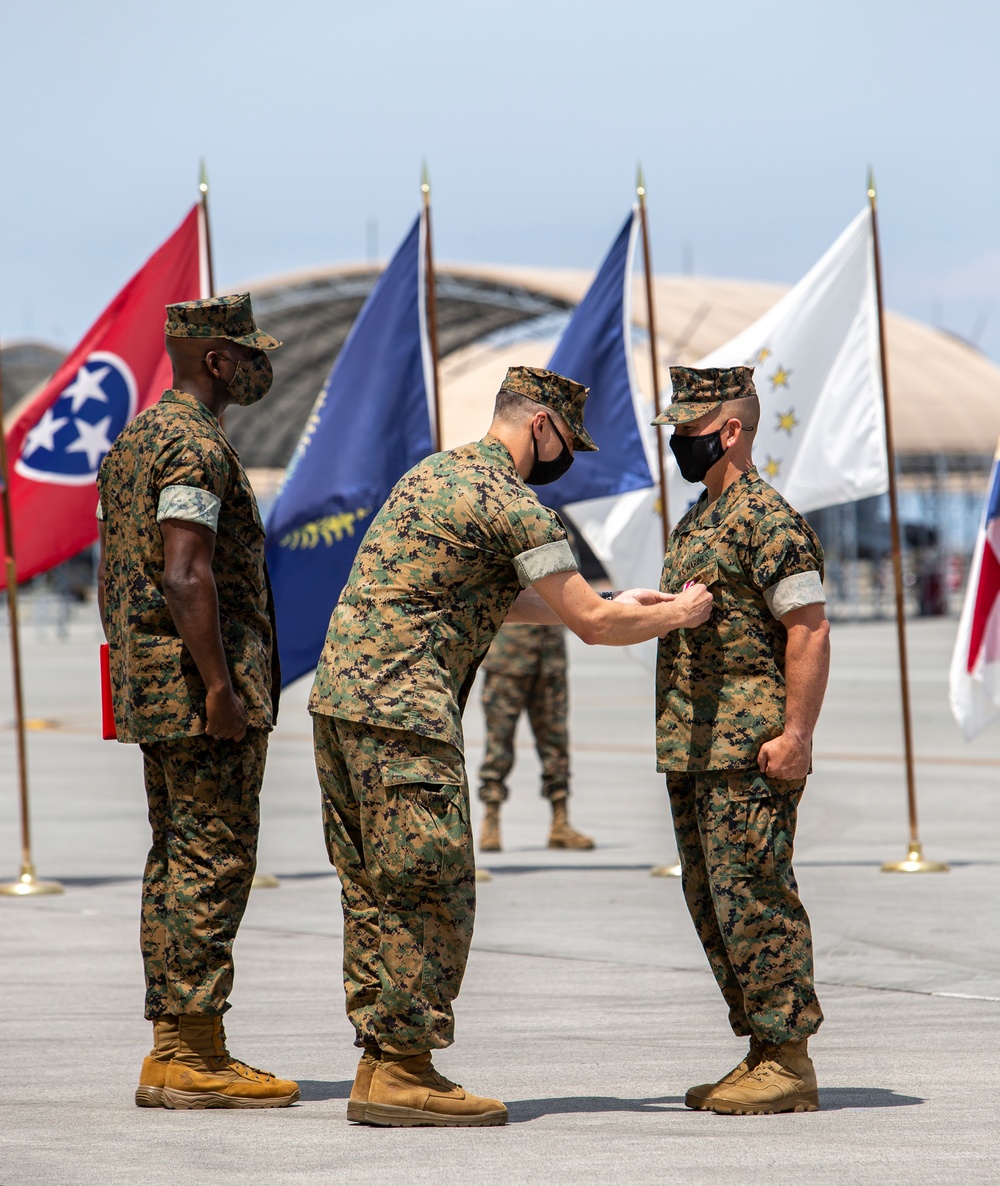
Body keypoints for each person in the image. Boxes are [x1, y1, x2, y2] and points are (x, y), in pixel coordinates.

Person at [310, 365, 713, 1128]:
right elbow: (594, 624)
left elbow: (491, 594)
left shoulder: (434, 476)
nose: (567, 458)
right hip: (405, 712)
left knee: (374, 889)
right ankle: (405, 1069)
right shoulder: (512, 502)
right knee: (431, 888)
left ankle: (378, 1063)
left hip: (341, 703)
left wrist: (608, 603)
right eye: (566, 441)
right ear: (540, 427)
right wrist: (678, 614)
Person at [97, 292, 299, 1111]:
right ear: (216, 360)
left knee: (175, 857)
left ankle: (174, 1045)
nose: (260, 367)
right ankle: (195, 1050)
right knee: (213, 860)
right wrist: (220, 686)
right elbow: (186, 574)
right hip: (194, 691)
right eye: (249, 354)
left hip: (150, 685)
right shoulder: (192, 447)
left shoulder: (137, 438)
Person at [654, 365, 830, 1116]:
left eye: (688, 432)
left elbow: (809, 629)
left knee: (755, 897)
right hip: (694, 751)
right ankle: (759, 1046)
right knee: (712, 902)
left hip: (748, 752)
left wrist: (797, 734)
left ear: (730, 431)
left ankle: (789, 1055)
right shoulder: (696, 521)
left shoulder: (769, 520)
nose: (678, 445)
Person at [477, 624, 593, 851]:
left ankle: (560, 823)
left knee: (556, 740)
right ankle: (491, 820)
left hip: (549, 658)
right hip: (508, 658)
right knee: (498, 744)